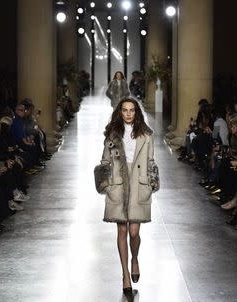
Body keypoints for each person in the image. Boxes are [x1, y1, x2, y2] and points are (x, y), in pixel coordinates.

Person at [98, 97, 159, 296]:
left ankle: (135, 259)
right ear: (120, 112)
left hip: (139, 182)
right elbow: (105, 161)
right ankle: (125, 274)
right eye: (124, 110)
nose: (128, 113)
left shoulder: (147, 135)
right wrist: (107, 183)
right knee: (122, 231)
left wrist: (151, 182)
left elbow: (151, 161)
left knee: (134, 232)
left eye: (132, 110)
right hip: (119, 183)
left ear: (136, 112)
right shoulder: (112, 135)